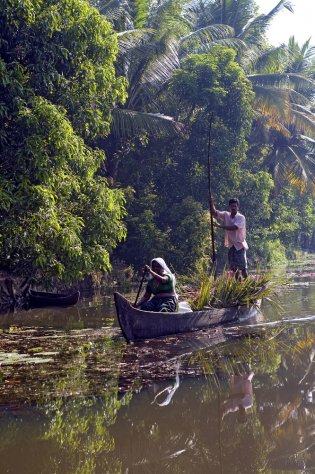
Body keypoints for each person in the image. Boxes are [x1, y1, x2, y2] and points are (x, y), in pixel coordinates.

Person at [209, 197, 248, 278]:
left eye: (235, 206)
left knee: (243, 268)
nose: (233, 208)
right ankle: (238, 286)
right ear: (229, 207)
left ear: (238, 207)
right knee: (233, 269)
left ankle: (248, 284)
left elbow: (234, 227)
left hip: (239, 245)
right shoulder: (226, 214)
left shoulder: (241, 217)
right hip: (231, 246)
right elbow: (214, 213)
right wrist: (211, 203)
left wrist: (220, 226)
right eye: (232, 206)